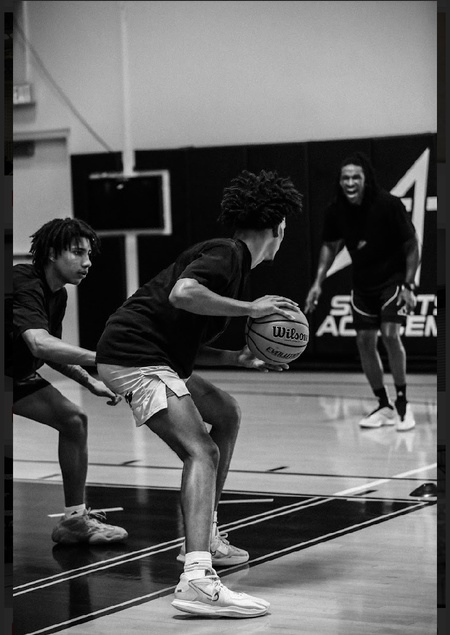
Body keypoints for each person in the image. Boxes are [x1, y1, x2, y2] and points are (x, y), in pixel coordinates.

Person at [96, 170, 303, 618]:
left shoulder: (232, 262)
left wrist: (238, 358)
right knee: (202, 451)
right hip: (134, 355)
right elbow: (183, 293)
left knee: (225, 412)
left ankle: (206, 534)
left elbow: (185, 335)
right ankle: (195, 579)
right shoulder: (228, 254)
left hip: (155, 355)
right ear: (278, 227)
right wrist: (251, 309)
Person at [7, 218, 128, 545]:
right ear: (51, 253)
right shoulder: (22, 282)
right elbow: (39, 344)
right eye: (77, 252)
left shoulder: (57, 294)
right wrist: (102, 358)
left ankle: (74, 521)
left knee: (74, 420)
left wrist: (90, 382)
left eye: (88, 254)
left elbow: (50, 350)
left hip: (16, 377)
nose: (87, 262)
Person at [305, 152, 420, 432]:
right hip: (363, 284)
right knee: (364, 342)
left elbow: (412, 245)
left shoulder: (388, 205)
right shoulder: (336, 211)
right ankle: (384, 405)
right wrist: (318, 282)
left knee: (390, 334)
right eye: (345, 178)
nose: (350, 182)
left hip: (393, 281)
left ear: (366, 180)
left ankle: (403, 402)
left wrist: (409, 285)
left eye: (355, 177)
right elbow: (329, 245)